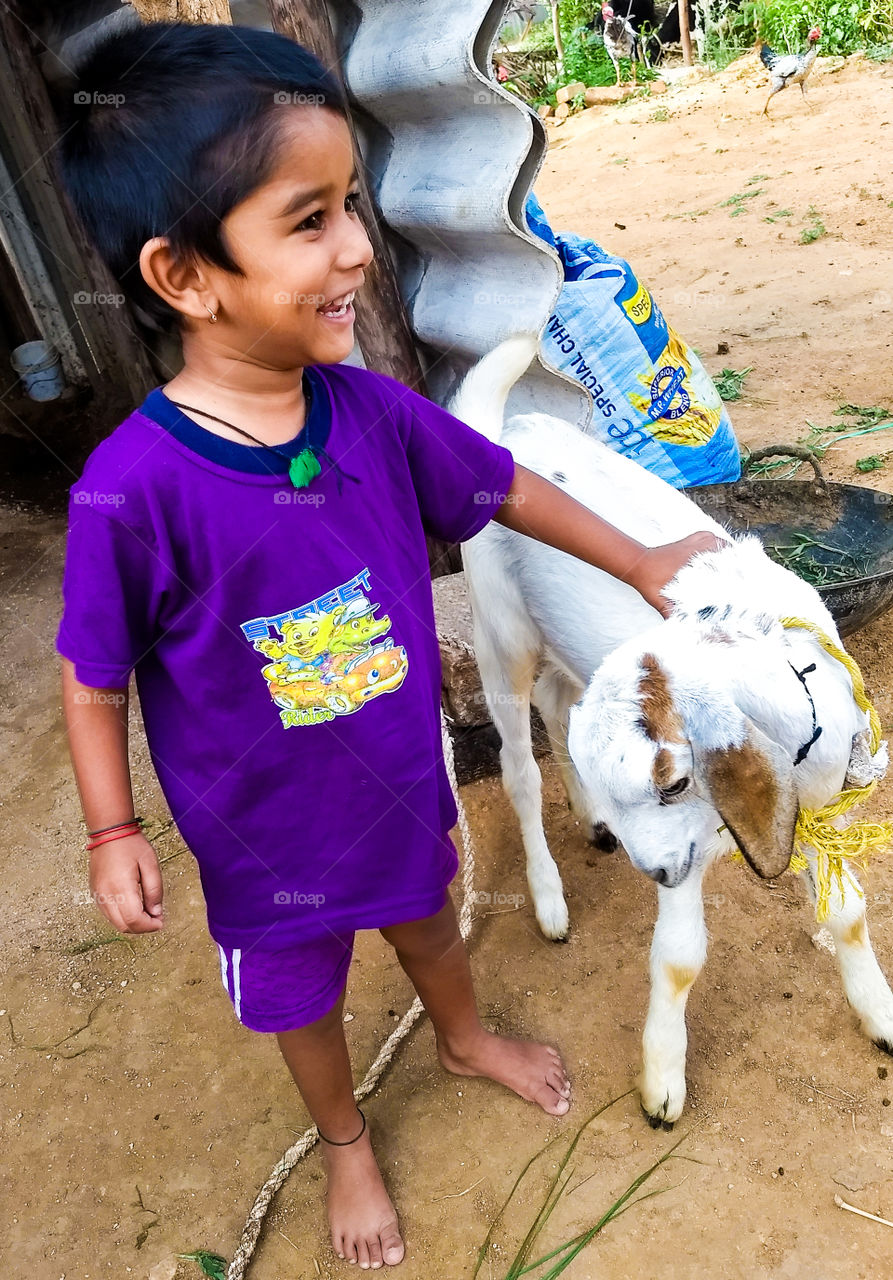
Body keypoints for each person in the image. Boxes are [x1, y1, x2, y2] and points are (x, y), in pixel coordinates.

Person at [55, 22, 721, 1272]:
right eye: (308, 220)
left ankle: (462, 1035)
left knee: (424, 915)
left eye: (353, 202)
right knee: (302, 1000)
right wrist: (110, 828)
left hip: (394, 781)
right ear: (183, 275)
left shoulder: (375, 412)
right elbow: (91, 676)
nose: (359, 244)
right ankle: (345, 1133)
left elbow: (506, 485)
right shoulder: (130, 488)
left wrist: (638, 559)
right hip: (263, 838)